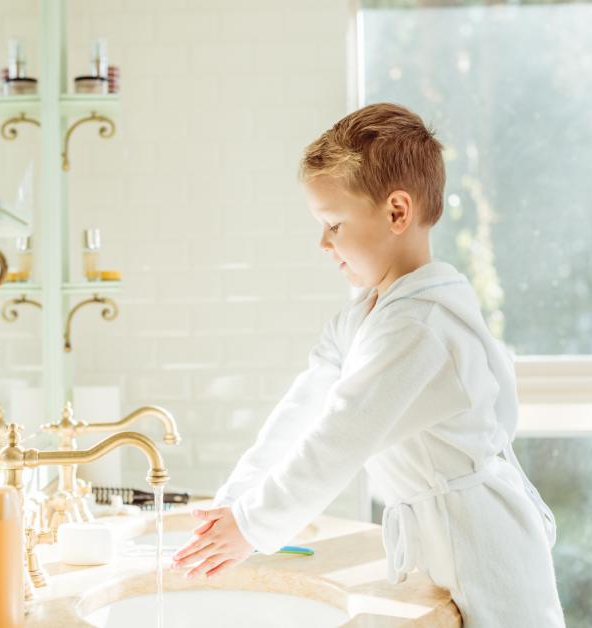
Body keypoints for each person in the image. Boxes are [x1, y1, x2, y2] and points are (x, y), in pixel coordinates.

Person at [170, 103, 565, 627]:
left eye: (334, 224)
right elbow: (304, 407)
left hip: (489, 554)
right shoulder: (368, 313)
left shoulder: (420, 326)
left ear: (397, 212)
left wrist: (251, 525)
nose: (323, 243)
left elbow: (338, 439)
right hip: (445, 547)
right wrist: (235, 502)